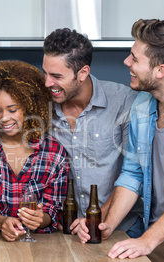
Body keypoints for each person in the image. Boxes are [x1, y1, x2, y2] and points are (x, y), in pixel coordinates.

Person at [77, 19, 164, 262]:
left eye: (134, 58)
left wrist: (147, 241)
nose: (127, 62)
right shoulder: (142, 105)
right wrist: (109, 224)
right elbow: (132, 174)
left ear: (160, 70)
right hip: (158, 240)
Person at [42, 28, 143, 238]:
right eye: (46, 73)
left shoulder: (123, 101)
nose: (47, 83)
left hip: (121, 230)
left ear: (83, 73)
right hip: (65, 231)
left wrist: (96, 218)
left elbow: (135, 174)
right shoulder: (43, 108)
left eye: (56, 76)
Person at [0, 60, 68, 241]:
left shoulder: (54, 153)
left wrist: (40, 219)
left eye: (12, 110)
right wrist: (1, 222)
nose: (4, 118)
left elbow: (53, 211)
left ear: (30, 107)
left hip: (39, 247)